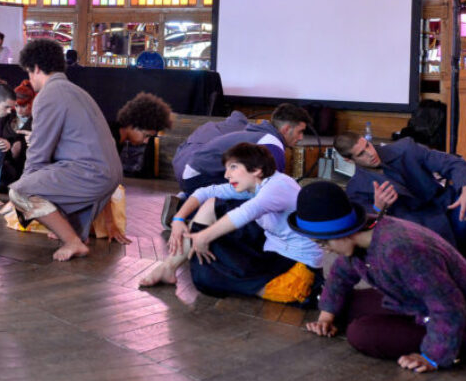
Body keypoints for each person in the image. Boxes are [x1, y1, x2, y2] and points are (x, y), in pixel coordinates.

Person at [291, 181, 466, 373]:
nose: (325, 251)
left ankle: (454, 348)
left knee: (361, 334)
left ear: (340, 233)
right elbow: (340, 275)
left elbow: (449, 305)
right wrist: (326, 316)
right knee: (345, 306)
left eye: (323, 243)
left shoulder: (400, 249)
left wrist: (433, 356)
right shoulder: (364, 234)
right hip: (417, 303)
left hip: (464, 325)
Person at [140, 143, 323, 304]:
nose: (227, 175)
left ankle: (260, 286)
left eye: (233, 167)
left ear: (256, 169)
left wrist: (203, 236)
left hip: (294, 263)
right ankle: (168, 267)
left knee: (209, 271)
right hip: (272, 250)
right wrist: (179, 219)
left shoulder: (277, 186)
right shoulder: (254, 184)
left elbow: (244, 213)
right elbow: (206, 192)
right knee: (212, 205)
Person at [6, 39, 121, 261]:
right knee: (41, 183)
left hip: (91, 174)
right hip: (109, 173)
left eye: (29, 73)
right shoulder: (77, 91)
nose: (30, 79)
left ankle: (72, 242)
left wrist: (24, 199)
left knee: (19, 191)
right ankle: (75, 234)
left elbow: (38, 155)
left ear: (36, 68)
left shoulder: (49, 95)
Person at [336, 132, 466, 259]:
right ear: (349, 160)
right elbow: (365, 230)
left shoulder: (406, 148)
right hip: (415, 228)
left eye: (368, 146)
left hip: (444, 205)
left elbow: (452, 163)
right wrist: (378, 208)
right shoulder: (355, 190)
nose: (370, 153)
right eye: (361, 154)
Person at [179, 103, 312, 194]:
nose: (301, 137)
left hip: (192, 175)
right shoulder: (272, 144)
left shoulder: (259, 133)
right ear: (286, 129)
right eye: (300, 131)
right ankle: (190, 207)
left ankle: (189, 201)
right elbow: (268, 190)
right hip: (200, 178)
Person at [111, 92, 174, 178]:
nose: (146, 141)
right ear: (133, 124)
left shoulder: (117, 139)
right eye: (146, 136)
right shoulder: (110, 139)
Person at [0, 80, 35, 186]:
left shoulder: (38, 121)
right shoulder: (7, 116)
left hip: (24, 171)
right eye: (16, 106)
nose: (19, 110)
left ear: (31, 103)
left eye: (23, 106)